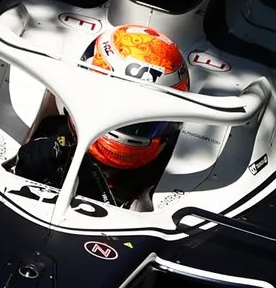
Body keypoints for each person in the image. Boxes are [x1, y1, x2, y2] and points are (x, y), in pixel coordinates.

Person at [11, 23, 190, 205]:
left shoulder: (169, 180)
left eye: (145, 117)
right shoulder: (51, 134)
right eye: (116, 105)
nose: (126, 123)